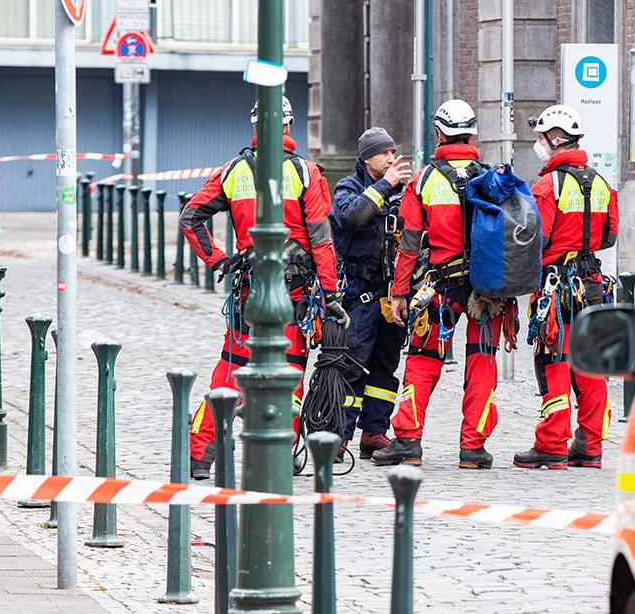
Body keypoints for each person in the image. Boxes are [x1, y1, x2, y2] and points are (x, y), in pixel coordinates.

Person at [180, 95, 340, 480]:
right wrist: (331, 292)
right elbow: (321, 239)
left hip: (249, 293)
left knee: (231, 368)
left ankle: (199, 454)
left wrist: (219, 260)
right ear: (288, 126)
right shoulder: (306, 173)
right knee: (290, 371)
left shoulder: (233, 170)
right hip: (294, 296)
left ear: (255, 126)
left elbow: (191, 217)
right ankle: (280, 455)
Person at [370, 99, 507, 469]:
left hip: (441, 290)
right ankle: (473, 450)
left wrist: (399, 293)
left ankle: (409, 442)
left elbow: (409, 245)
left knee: (422, 359)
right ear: (473, 132)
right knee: (482, 362)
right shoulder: (491, 177)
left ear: (439, 133)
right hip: (487, 289)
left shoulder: (424, 180)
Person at [513, 104, 619, 469]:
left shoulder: (547, 185)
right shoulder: (602, 183)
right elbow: (609, 235)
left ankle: (552, 443)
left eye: (541, 138)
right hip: (591, 284)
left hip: (556, 287)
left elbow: (535, 239)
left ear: (555, 140)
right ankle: (590, 446)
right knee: (589, 364)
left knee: (554, 360)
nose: (539, 144)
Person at [329, 127, 412, 459]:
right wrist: (386, 184)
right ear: (367, 157)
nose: (391, 158)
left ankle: (374, 433)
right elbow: (353, 216)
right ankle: (338, 437)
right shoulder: (348, 187)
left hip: (392, 292)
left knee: (385, 366)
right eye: (384, 153)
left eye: (393, 152)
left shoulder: (400, 191)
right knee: (352, 365)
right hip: (359, 291)